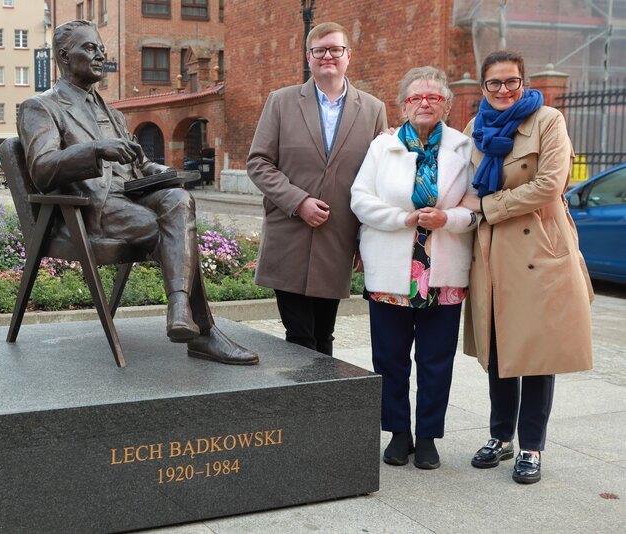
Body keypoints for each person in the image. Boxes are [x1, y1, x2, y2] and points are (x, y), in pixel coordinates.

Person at [17, 20, 257, 365]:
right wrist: (96, 150)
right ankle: (201, 332)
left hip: (131, 196)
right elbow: (43, 170)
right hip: (87, 209)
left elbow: (140, 164)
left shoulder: (111, 112)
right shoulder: (40, 107)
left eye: (101, 48)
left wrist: (165, 172)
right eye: (89, 48)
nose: (100, 54)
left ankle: (178, 307)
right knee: (174, 232)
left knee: (178, 199)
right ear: (64, 57)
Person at [460, 50, 593, 484]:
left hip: (539, 251)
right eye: (494, 83)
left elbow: (550, 185)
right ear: (483, 88)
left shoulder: (548, 121)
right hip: (492, 253)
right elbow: (447, 169)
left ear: (524, 82)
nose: (503, 90)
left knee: (536, 353)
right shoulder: (473, 128)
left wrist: (487, 204)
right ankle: (501, 437)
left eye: (511, 82)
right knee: (499, 350)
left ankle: (532, 446)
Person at [350, 67, 475, 470]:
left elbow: (476, 207)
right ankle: (398, 433)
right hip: (390, 269)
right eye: (415, 97)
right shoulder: (381, 148)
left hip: (444, 271)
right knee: (390, 358)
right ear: (403, 104)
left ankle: (428, 436)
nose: (424, 103)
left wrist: (448, 219)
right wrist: (402, 219)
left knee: (437, 360)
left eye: (433, 98)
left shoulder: (463, 148)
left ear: (446, 105)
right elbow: (359, 199)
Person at [247, 22, 387, 356]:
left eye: (335, 49)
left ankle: (323, 407)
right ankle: (300, 406)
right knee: (298, 336)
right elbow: (258, 162)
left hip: (337, 237)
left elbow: (379, 177)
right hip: (290, 234)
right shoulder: (280, 102)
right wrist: (299, 201)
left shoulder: (372, 109)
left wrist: (366, 241)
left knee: (324, 335)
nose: (328, 56)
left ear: (348, 56)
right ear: (309, 57)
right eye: (319, 50)